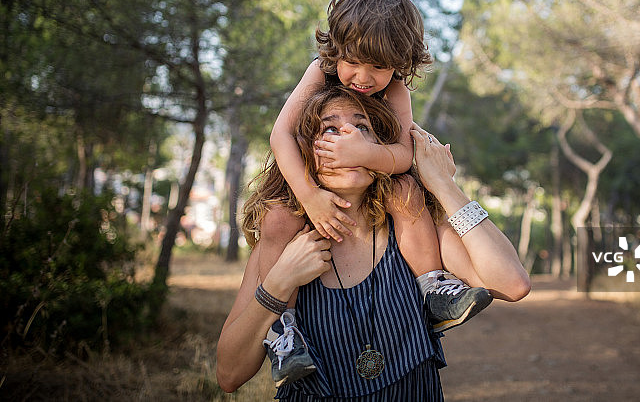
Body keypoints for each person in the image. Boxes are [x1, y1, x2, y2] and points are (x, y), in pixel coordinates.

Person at [216, 86, 530, 399]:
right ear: (303, 155)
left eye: (361, 127)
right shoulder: (283, 242)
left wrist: (445, 187)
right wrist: (277, 284)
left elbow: (512, 283)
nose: (348, 136)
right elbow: (229, 375)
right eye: (330, 128)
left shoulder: (412, 225)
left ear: (379, 148)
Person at [261, 0, 490, 385]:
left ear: (400, 65)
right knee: (278, 220)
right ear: (335, 49)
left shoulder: (396, 89)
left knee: (406, 193)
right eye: (353, 62)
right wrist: (310, 197)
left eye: (379, 68)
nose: (363, 78)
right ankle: (284, 330)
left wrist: (366, 155)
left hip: (373, 179)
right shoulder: (320, 71)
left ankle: (432, 287)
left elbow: (402, 153)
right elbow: (281, 135)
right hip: (307, 176)